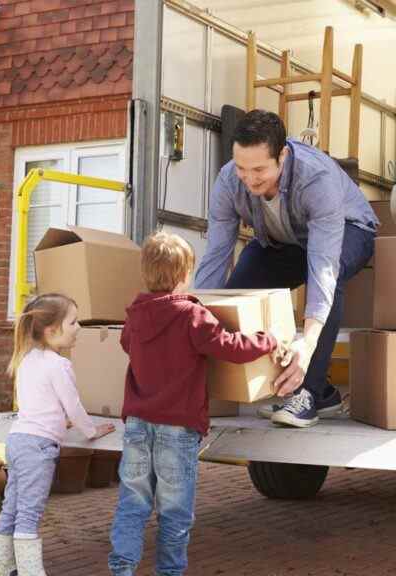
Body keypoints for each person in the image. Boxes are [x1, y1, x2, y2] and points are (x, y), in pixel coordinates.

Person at [108, 232, 283, 576]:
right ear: (185, 273)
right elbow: (231, 347)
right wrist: (271, 338)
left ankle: (121, 569)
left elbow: (127, 344)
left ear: (145, 272)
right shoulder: (191, 315)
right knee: (174, 512)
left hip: (137, 425)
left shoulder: (136, 315)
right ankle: (169, 572)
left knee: (132, 504)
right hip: (178, 426)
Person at [195, 109, 378, 428]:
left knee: (327, 280)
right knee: (239, 287)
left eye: (259, 170)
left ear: (282, 155)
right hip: (286, 242)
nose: (249, 179)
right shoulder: (227, 180)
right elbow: (216, 255)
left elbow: (323, 268)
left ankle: (307, 393)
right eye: (241, 168)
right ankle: (319, 392)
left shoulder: (315, 178)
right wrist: (192, 316)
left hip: (350, 231)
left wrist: (305, 344)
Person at [0, 293, 115, 576]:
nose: (78, 328)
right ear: (51, 330)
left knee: (12, 506)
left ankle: (1, 568)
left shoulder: (26, 359)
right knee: (30, 512)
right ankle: (30, 572)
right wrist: (91, 430)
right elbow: (73, 406)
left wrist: (59, 423)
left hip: (18, 440)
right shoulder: (59, 365)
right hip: (38, 448)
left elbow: (38, 405)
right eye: (73, 322)